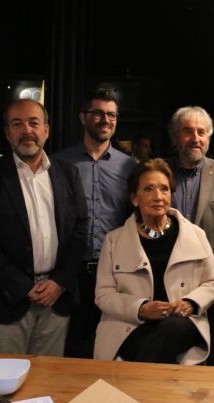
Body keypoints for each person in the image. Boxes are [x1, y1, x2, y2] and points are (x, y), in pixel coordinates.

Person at [0, 99, 88, 356]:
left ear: (46, 130)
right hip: (4, 299)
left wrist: (60, 282)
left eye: (34, 123)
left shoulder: (68, 173)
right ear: (8, 133)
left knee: (47, 380)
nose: (27, 130)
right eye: (17, 124)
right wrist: (23, 286)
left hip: (56, 299)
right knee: (6, 383)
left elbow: (79, 230)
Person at [93, 159, 214, 364]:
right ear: (135, 198)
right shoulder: (114, 240)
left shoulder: (195, 234)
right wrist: (141, 308)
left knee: (172, 328)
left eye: (164, 189)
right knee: (153, 345)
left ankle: (130, 389)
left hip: (181, 322)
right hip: (130, 325)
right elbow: (104, 295)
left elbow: (213, 283)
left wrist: (190, 302)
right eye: (148, 189)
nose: (158, 197)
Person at [54, 88, 135, 358]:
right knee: (70, 348)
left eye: (111, 114)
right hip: (69, 271)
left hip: (113, 270)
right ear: (83, 117)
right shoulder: (58, 164)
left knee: (110, 346)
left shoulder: (130, 167)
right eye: (98, 113)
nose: (105, 119)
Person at [166, 106, 214, 366]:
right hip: (166, 289)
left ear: (208, 138)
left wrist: (210, 284)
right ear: (175, 137)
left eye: (201, 132)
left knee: (207, 365)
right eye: (187, 131)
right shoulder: (157, 171)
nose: (195, 138)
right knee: (166, 363)